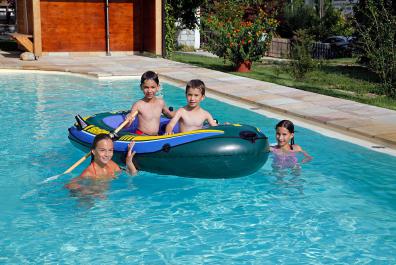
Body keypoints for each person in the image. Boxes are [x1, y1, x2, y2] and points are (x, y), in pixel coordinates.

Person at [65, 134, 137, 195]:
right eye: (102, 150)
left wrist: (129, 163)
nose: (107, 154)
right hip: (93, 199)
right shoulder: (89, 173)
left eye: (110, 150)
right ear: (93, 151)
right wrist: (89, 192)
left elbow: (132, 175)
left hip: (106, 197)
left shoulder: (112, 165)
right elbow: (69, 185)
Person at [126, 71, 174, 135]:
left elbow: (170, 115)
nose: (149, 91)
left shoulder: (160, 103)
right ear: (141, 87)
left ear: (158, 87)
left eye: (152, 87)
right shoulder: (138, 104)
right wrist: (128, 117)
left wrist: (182, 113)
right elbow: (128, 122)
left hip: (155, 136)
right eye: (146, 87)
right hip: (141, 135)